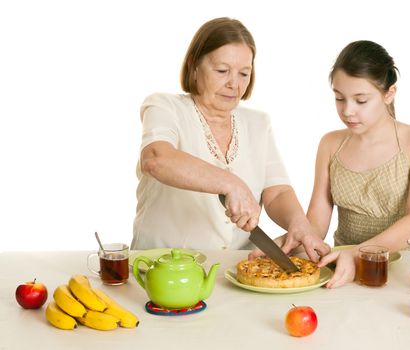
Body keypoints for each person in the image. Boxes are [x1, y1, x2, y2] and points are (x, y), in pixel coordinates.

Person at [131, 17, 330, 261]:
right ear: (194, 66)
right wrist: (231, 183)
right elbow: (155, 159)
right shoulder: (164, 106)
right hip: (161, 267)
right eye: (222, 71)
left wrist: (299, 223)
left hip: (235, 268)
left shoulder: (258, 123)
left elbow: (276, 192)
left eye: (244, 73)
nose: (234, 84)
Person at [308, 40, 410, 288]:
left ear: (389, 94)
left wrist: (358, 252)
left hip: (404, 273)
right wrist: (294, 239)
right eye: (339, 98)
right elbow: (316, 223)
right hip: (343, 270)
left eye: (360, 100)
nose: (347, 111)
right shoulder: (330, 144)